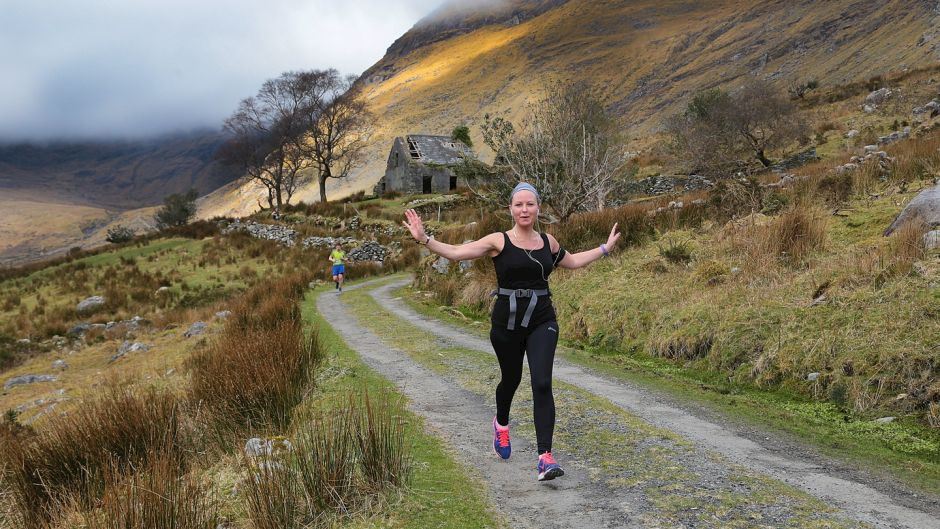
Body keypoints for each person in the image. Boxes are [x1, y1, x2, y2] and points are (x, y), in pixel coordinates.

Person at [402, 182, 620, 481]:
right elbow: (455, 253)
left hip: (543, 319)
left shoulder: (549, 242)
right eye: (519, 205)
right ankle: (501, 424)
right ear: (511, 209)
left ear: (538, 207)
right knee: (511, 379)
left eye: (530, 204)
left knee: (542, 382)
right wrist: (424, 238)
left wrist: (605, 248)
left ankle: (545, 457)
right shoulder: (498, 241)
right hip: (506, 324)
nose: (525, 209)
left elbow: (573, 262)